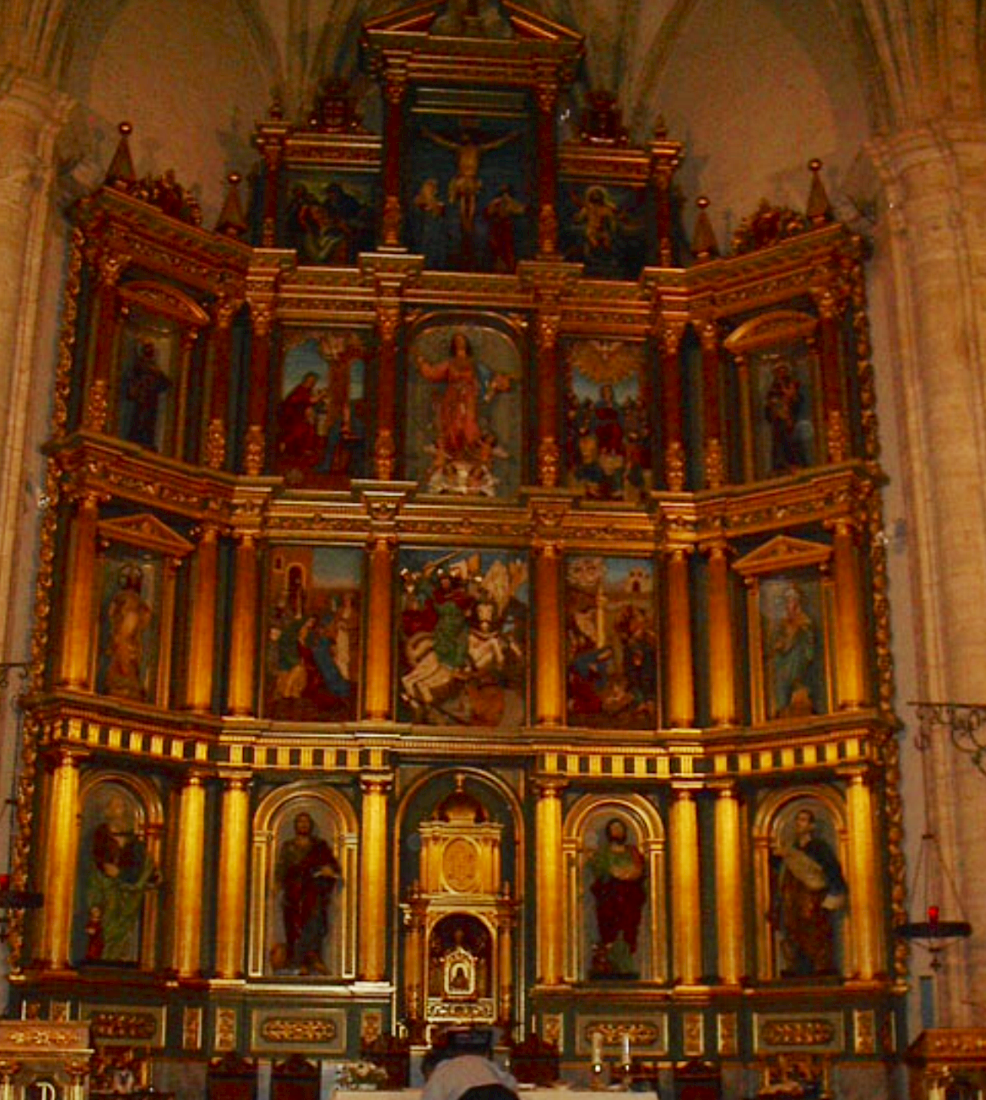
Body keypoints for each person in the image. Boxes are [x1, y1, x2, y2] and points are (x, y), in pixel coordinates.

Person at [770, 808, 847, 977]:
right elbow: (783, 872)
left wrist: (834, 893)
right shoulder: (791, 848)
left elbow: (830, 870)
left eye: (803, 820)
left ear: (811, 826)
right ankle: (797, 964)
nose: (799, 824)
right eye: (798, 820)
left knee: (815, 927)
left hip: (813, 895)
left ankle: (820, 964)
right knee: (792, 928)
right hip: (793, 895)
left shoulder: (819, 847)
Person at [86, 794, 159, 962]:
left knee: (123, 935)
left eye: (122, 806)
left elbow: (143, 869)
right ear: (106, 811)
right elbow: (94, 872)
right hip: (106, 897)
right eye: (114, 806)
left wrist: (121, 875)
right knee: (105, 932)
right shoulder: (100, 838)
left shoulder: (134, 843)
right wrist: (95, 901)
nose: (119, 810)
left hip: (128, 897)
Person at [275, 811, 341, 975]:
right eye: (300, 822)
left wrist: (328, 871)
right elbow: (282, 868)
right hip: (294, 893)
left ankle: (313, 956)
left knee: (315, 923)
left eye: (306, 822)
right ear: (296, 825)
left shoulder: (319, 846)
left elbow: (332, 867)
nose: (303, 825)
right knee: (294, 927)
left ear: (310, 825)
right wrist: (279, 883)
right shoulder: (289, 846)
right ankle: (297, 960)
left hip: (313, 893)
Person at [588, 817, 647, 976]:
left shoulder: (632, 852)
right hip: (610, 898)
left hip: (630, 898)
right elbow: (599, 869)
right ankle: (610, 961)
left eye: (620, 829)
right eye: (614, 829)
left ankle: (625, 963)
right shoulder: (603, 853)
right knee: (609, 931)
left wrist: (629, 874)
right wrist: (615, 873)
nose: (617, 832)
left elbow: (640, 870)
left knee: (628, 931)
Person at [767, 583, 818, 718]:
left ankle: (799, 689)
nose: (791, 604)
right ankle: (783, 704)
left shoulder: (804, 620)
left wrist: (797, 633)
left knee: (797, 674)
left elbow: (809, 642)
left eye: (793, 601)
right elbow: (775, 642)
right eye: (788, 601)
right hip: (784, 659)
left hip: (798, 654)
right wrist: (780, 645)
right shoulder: (782, 622)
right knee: (782, 676)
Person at [104, 565, 152, 701]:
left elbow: (145, 617)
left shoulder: (139, 602)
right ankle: (120, 679)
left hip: (132, 633)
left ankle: (129, 679)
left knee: (132, 653)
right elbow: (112, 612)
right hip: (122, 630)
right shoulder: (121, 597)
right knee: (121, 649)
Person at [421, 1033, 518, 1100]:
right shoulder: (481, 1061)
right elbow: (511, 1082)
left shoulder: (440, 1071)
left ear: (429, 1070)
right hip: (501, 1094)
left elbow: (432, 1097)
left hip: (473, 1096)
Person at [123, 340, 171, 448]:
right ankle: (136, 436)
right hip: (142, 397)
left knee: (149, 420)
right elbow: (132, 378)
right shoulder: (140, 365)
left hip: (151, 399)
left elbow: (165, 383)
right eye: (147, 349)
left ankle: (147, 439)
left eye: (151, 350)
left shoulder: (155, 369)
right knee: (139, 417)